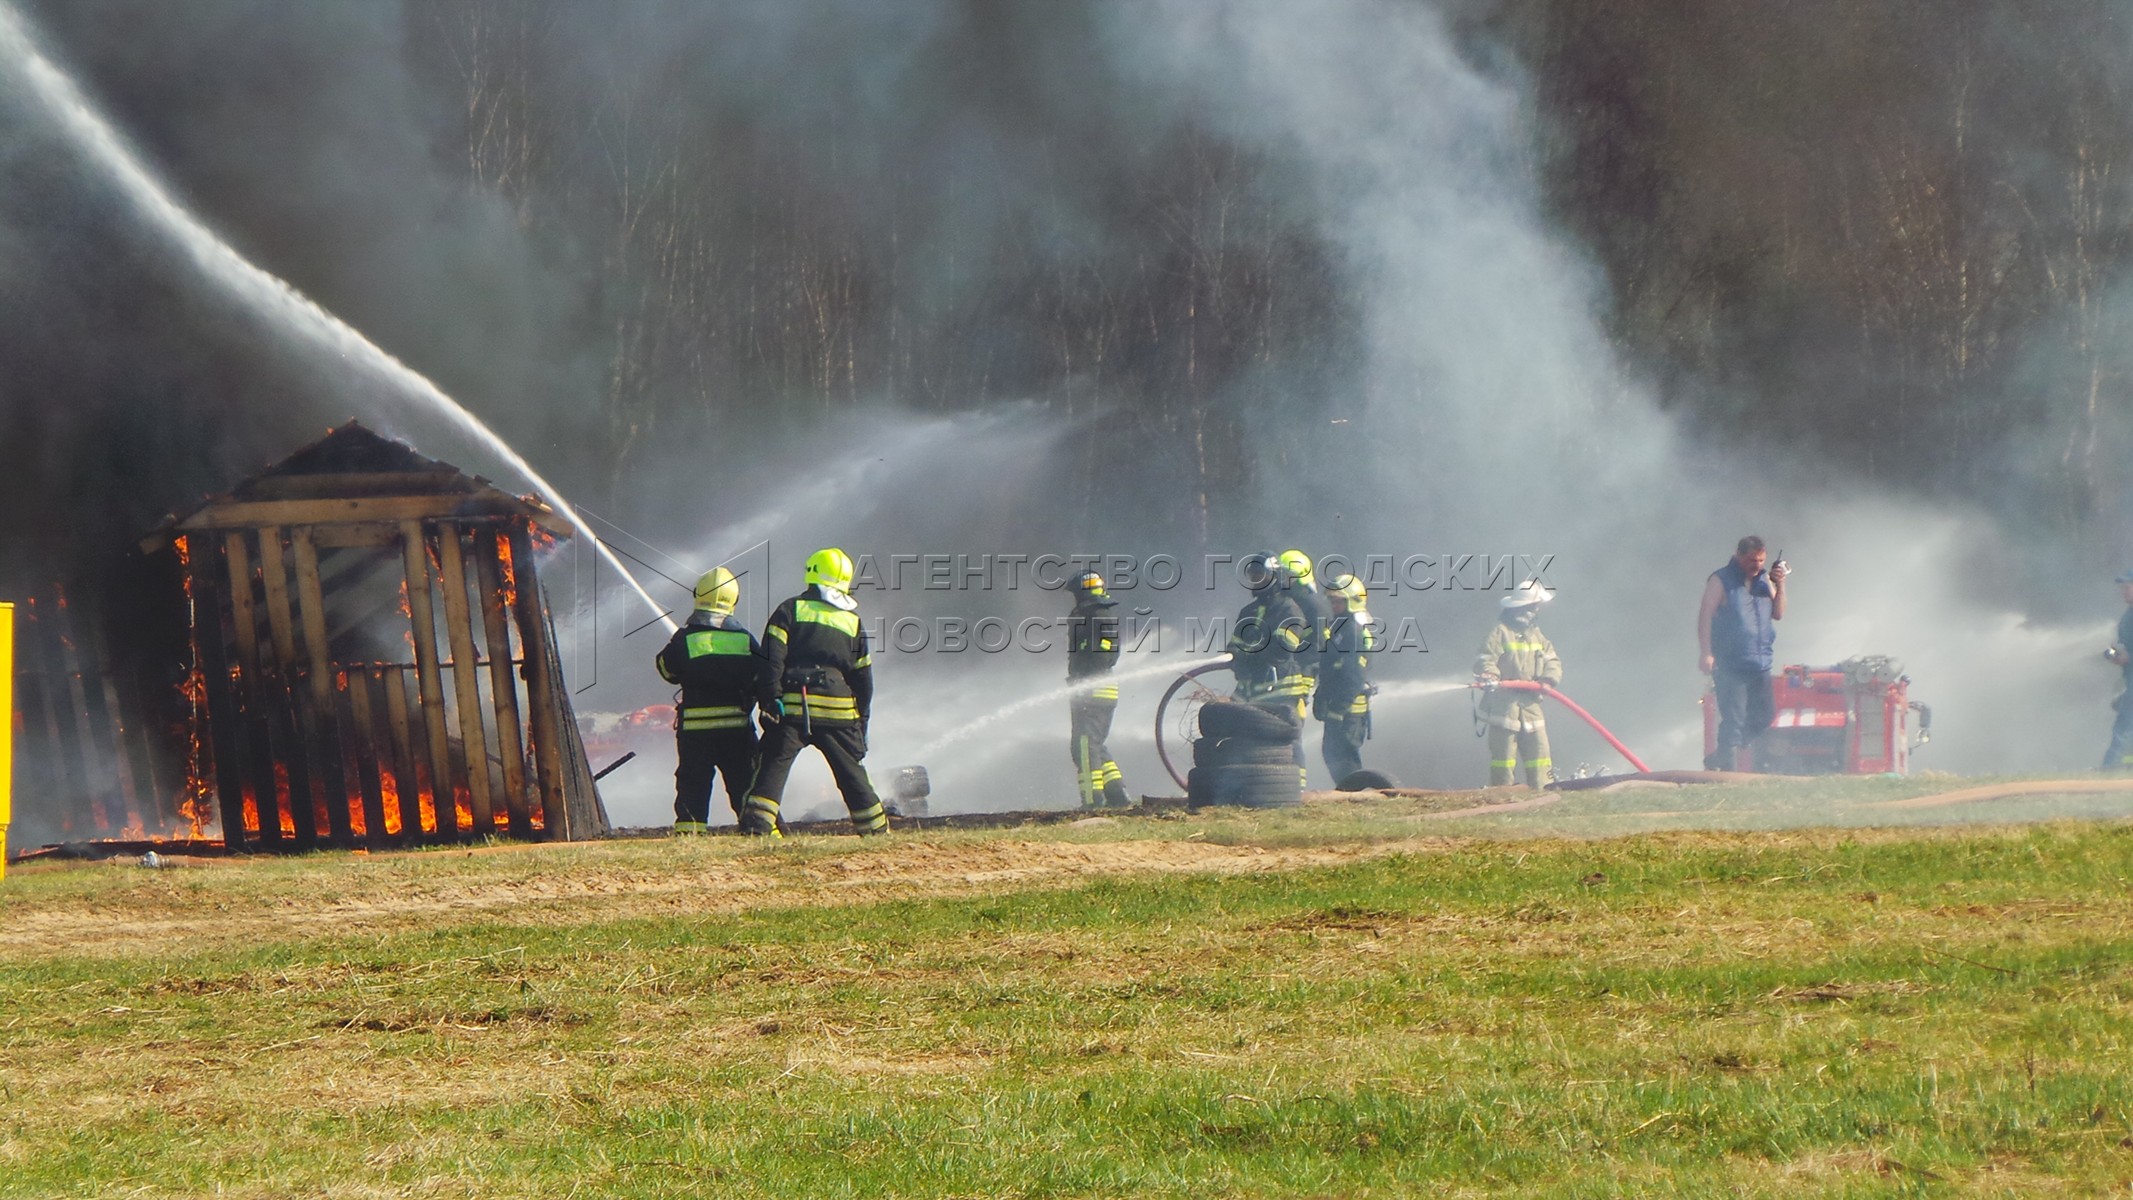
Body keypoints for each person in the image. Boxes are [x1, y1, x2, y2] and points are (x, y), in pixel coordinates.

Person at [740, 548, 887, 837]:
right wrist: (862, 719)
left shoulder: (790, 609)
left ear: (812, 573)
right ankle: (876, 831)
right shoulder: (852, 621)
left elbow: (771, 660)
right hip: (840, 710)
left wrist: (771, 698)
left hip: (794, 708)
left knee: (772, 769)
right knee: (851, 774)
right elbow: (863, 677)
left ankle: (756, 829)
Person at [654, 567, 760, 834]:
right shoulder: (745, 640)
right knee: (745, 782)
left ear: (697, 595)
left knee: (693, 783)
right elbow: (761, 678)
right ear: (734, 601)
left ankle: (690, 834)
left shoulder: (684, 638)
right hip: (737, 730)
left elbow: (667, 670)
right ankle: (757, 831)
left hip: (696, 732)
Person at [1698, 535, 1788, 771]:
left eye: (1760, 560)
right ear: (1738, 556)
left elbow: (1778, 614)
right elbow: (1706, 614)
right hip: (1730, 664)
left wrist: (1781, 585)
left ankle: (1723, 753)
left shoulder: (1764, 581)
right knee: (1734, 719)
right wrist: (1706, 652)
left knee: (1765, 715)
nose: (1756, 565)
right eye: (1751, 560)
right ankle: (1727, 773)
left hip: (1760, 663)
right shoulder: (1721, 580)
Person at [1227, 551, 1315, 787]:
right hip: (1252, 691)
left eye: (1261, 575)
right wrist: (1237, 655)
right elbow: (1234, 646)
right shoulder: (1248, 612)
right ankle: (1259, 786)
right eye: (1253, 576)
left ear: (1275, 576)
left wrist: (1248, 656)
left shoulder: (1289, 609)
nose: (1257, 580)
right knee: (1251, 741)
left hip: (1283, 690)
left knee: (1288, 739)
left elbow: (1281, 649)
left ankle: (1297, 789)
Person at [1474, 580, 1560, 787]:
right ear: (1520, 608)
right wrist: (1490, 675)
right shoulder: (1500, 632)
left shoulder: (1536, 635)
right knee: (1503, 759)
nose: (1535, 611)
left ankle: (1543, 793)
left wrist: (1548, 679)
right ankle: (1503, 797)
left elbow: (1552, 660)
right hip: (1504, 709)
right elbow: (1486, 658)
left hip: (1531, 707)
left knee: (1540, 755)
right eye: (1533, 606)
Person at [1065, 571, 1131, 808]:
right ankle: (1117, 793)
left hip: (1094, 691)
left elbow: (1102, 656)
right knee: (1091, 744)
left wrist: (1083, 680)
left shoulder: (1096, 615)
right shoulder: (1093, 615)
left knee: (1085, 746)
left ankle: (1092, 800)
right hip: (1093, 690)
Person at [1315, 572, 1377, 784]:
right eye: (1331, 600)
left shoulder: (1353, 630)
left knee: (1343, 756)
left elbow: (1354, 676)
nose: (1333, 604)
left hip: (1349, 710)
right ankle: (1349, 793)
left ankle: (1355, 795)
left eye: (1338, 600)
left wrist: (1338, 709)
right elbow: (1331, 667)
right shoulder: (1339, 627)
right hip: (1338, 706)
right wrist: (1321, 695)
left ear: (1352, 600)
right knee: (1333, 753)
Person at [2101, 568, 2133, 770]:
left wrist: (2129, 657)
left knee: (2124, 725)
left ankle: (2111, 767)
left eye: (2127, 587)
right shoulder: (2127, 618)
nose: (2123, 592)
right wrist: (2113, 654)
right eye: (2122, 588)